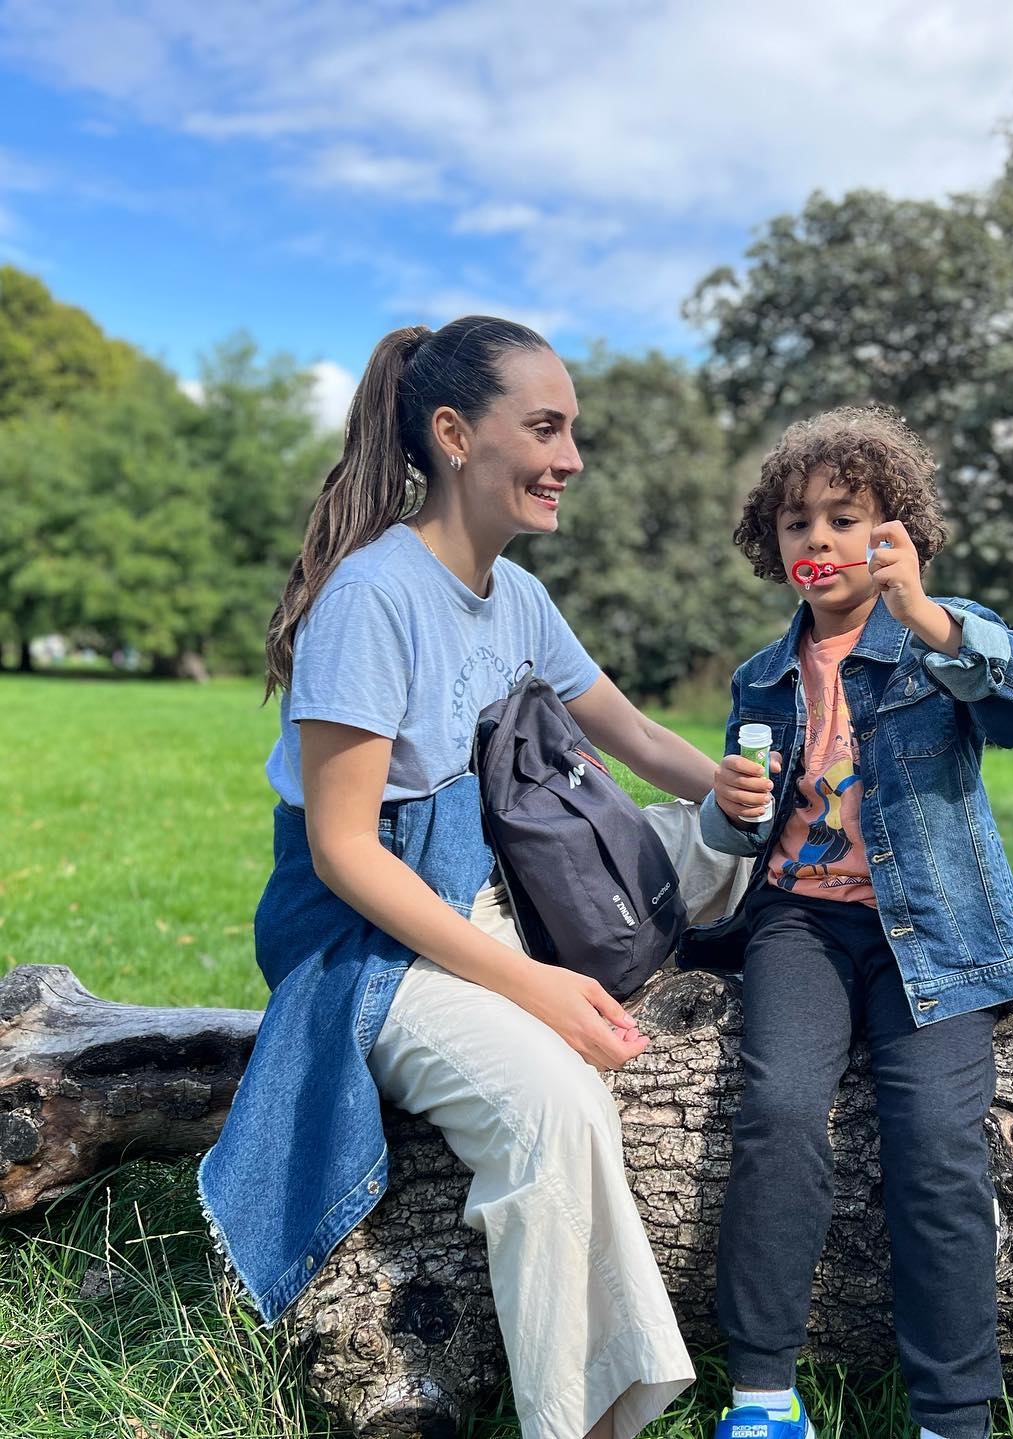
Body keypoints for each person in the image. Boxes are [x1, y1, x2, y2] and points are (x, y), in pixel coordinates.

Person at [198, 317, 718, 1439]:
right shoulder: (371, 599)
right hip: (369, 939)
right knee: (549, 1103)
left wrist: (740, 791)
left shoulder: (516, 596)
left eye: (571, 430)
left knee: (716, 861)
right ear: (453, 434)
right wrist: (537, 987)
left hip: (489, 892)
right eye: (546, 427)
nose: (572, 457)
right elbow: (343, 853)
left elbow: (629, 731)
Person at [683, 407, 1013, 1439]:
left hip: (933, 935)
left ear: (894, 530)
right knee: (777, 1111)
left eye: (843, 517)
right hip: (799, 926)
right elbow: (742, 826)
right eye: (796, 521)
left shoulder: (937, 640)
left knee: (937, 1143)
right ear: (772, 541)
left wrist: (927, 614)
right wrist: (729, 805)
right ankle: (763, 1396)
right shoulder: (762, 676)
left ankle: (952, 1415)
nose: (817, 538)